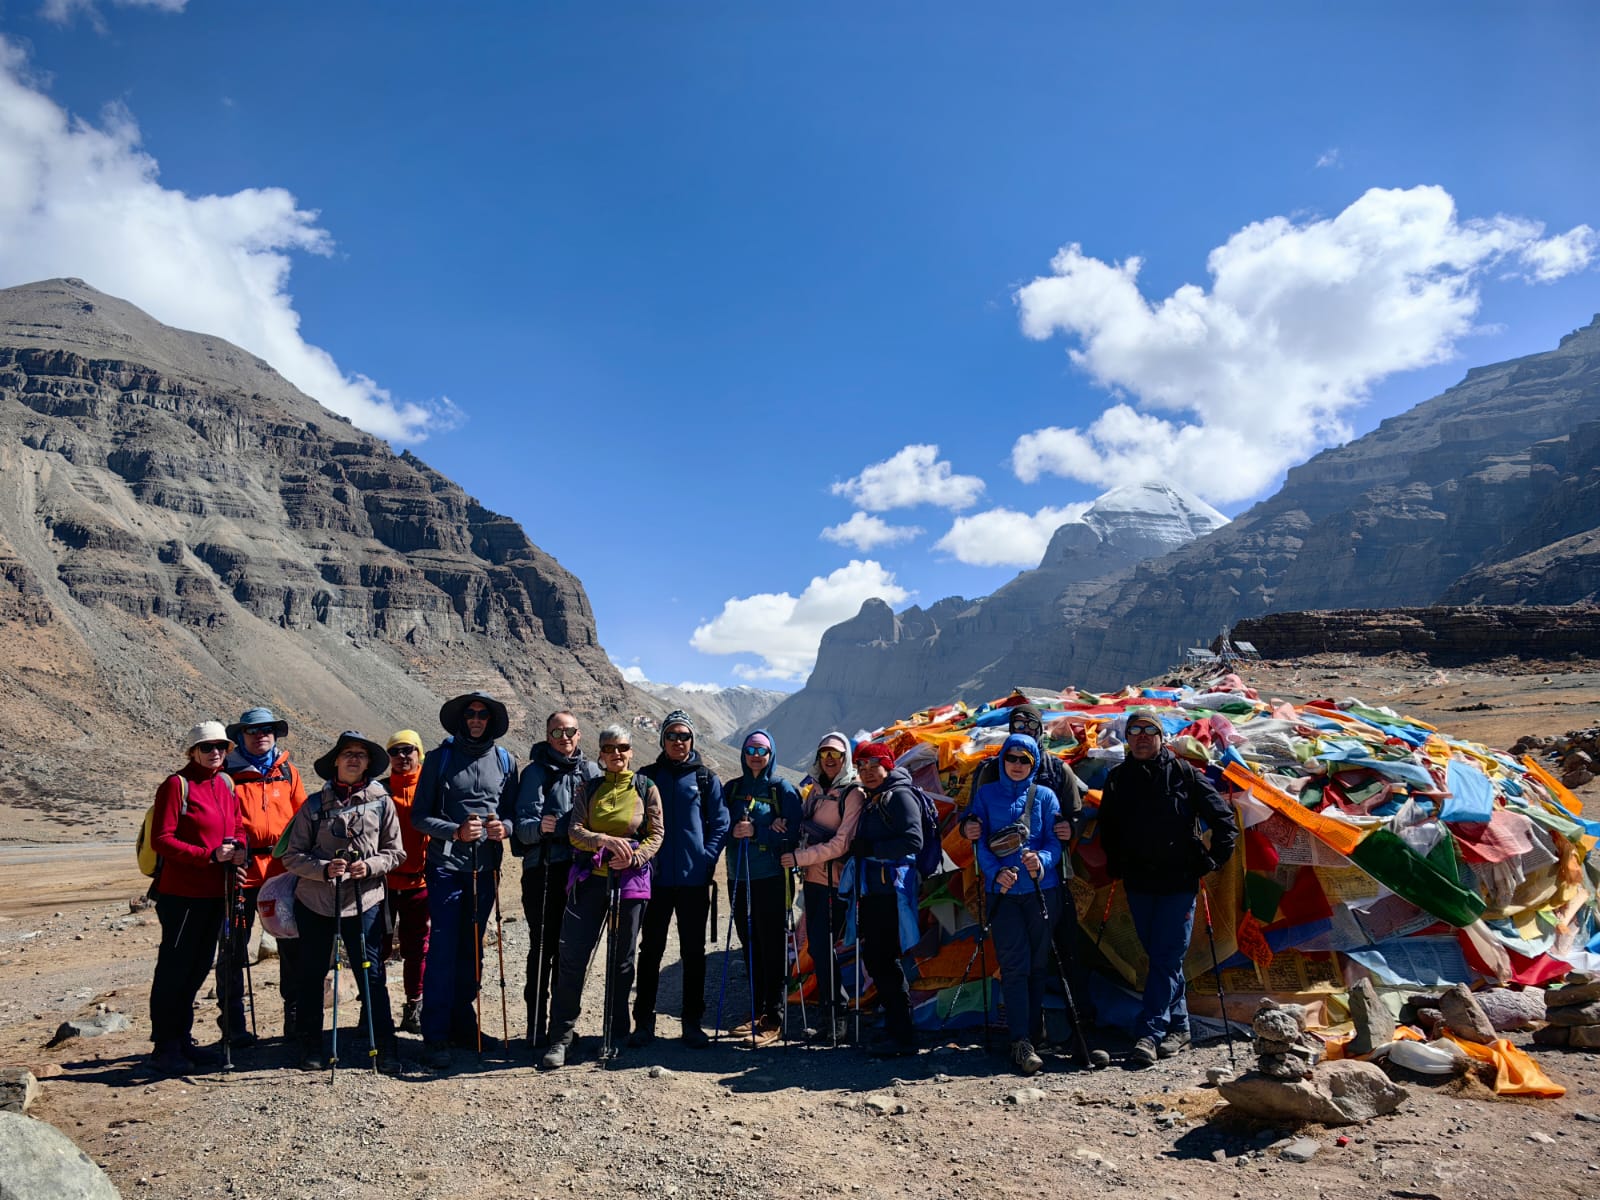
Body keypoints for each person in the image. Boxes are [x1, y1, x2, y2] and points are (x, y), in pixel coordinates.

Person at [1097, 710, 1237, 1067]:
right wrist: (1118, 865)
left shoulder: (1185, 774)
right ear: (1127, 739)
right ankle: (1181, 1026)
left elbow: (1224, 820)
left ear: (1161, 737)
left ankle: (1150, 1033)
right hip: (1139, 883)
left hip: (1179, 884)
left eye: (1149, 731)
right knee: (1161, 957)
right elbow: (1108, 828)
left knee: (1167, 956)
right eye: (1134, 732)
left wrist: (1210, 861)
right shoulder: (1116, 780)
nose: (1142, 737)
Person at [964, 702, 1096, 1029]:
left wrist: (1071, 829)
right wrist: (969, 829)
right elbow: (971, 817)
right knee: (1014, 954)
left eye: (1030, 724)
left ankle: (1079, 1027)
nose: (1023, 730)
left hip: (1051, 877)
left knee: (1065, 949)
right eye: (1017, 724)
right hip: (1004, 882)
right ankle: (1022, 1029)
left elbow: (1075, 814)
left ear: (1041, 730)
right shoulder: (990, 770)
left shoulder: (1057, 770)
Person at [281, 731, 405, 1072]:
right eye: (348, 753)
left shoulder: (382, 802)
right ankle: (311, 1045)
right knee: (312, 974)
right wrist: (323, 869)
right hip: (316, 901)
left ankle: (385, 1045)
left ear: (368, 763)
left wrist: (369, 866)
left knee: (372, 974)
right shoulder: (313, 805)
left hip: (365, 901)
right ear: (335, 760)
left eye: (361, 755)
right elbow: (292, 856)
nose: (354, 759)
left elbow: (396, 853)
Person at [540, 725, 663, 1069]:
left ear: (631, 751)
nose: (616, 754)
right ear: (601, 753)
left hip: (630, 883)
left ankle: (616, 1035)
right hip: (590, 881)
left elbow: (656, 833)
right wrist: (604, 842)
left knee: (622, 961)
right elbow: (575, 831)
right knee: (572, 957)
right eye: (609, 748)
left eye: (622, 747)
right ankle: (561, 1037)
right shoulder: (589, 787)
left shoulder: (646, 788)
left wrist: (635, 857)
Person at [411, 692, 519, 1070]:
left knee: (472, 950)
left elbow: (513, 816)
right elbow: (419, 816)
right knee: (442, 950)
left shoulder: (506, 761)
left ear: (491, 721)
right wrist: (455, 831)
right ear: (461, 718)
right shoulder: (439, 760)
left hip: (485, 870)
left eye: (483, 715)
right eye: (471, 714)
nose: (476, 719)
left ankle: (463, 1024)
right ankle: (435, 1035)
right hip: (444, 868)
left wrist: (501, 828)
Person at [147, 721, 246, 1075]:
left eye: (220, 747)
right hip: (183, 895)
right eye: (207, 748)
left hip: (216, 892)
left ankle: (182, 1039)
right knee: (175, 969)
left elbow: (236, 825)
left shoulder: (224, 782)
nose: (215, 753)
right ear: (193, 752)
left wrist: (238, 849)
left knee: (199, 966)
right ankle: (165, 1045)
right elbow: (162, 839)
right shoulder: (177, 785)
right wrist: (208, 856)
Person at [632, 710, 728, 1048]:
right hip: (653, 880)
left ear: (692, 740)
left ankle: (692, 1023)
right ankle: (643, 1023)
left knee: (693, 952)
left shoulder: (705, 778)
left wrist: (706, 858)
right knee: (650, 950)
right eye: (671, 735)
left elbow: (720, 823)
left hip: (693, 881)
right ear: (662, 740)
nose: (678, 741)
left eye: (684, 736)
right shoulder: (646, 777)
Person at [968, 733, 1062, 1075]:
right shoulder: (986, 795)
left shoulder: (1047, 797)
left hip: (1042, 890)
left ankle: (1034, 1036)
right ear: (1002, 761)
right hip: (1004, 895)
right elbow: (979, 843)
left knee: (1038, 964)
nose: (1018, 765)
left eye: (1025, 760)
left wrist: (1044, 861)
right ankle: (1020, 1040)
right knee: (1014, 965)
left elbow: (1054, 840)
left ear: (1034, 763)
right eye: (1012, 758)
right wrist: (995, 875)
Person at [218, 706, 308, 1046]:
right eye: (254, 730)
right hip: (241, 875)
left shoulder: (287, 771)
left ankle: (295, 1019)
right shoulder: (227, 775)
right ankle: (233, 1023)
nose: (261, 735)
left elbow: (303, 818)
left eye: (268, 729)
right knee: (233, 950)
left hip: (283, 873)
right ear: (241, 735)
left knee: (292, 947)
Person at [514, 710, 600, 1048]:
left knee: (572, 951)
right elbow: (521, 828)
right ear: (547, 736)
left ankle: (562, 1028)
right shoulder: (535, 773)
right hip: (545, 869)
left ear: (579, 734)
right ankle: (536, 1026)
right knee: (543, 947)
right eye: (557, 732)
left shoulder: (591, 771)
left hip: (581, 872)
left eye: (570, 731)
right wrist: (541, 828)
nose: (564, 737)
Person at [780, 731, 863, 1045]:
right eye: (825, 754)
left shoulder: (852, 793)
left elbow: (841, 843)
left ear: (845, 759)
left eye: (836, 755)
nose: (829, 760)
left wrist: (800, 856)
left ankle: (837, 1018)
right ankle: (831, 1017)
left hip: (835, 882)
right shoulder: (815, 790)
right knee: (817, 947)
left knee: (825, 948)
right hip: (813, 880)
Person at [722, 730, 802, 1047]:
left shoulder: (782, 789)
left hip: (772, 878)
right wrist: (737, 830)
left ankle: (774, 1017)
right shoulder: (732, 789)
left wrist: (757, 831)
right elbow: (718, 828)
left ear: (771, 754)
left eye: (762, 750)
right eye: (751, 749)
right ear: (743, 753)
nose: (756, 755)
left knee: (773, 945)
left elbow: (795, 833)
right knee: (750, 943)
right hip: (738, 876)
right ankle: (757, 1012)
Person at [847, 741, 923, 1057]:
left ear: (887, 764)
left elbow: (913, 840)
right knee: (879, 959)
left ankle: (903, 1036)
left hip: (890, 893)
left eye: (873, 765)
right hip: (877, 891)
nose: (867, 772)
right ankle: (896, 1028)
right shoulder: (878, 797)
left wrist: (872, 850)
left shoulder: (900, 796)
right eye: (861, 767)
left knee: (884, 960)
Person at [383, 730, 429, 1036]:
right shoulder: (379, 790)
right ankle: (372, 1008)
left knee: (416, 950)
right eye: (395, 751)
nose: (402, 756)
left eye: (408, 749)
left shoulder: (431, 786)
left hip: (420, 882)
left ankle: (415, 1005)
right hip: (382, 884)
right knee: (377, 948)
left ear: (419, 752)